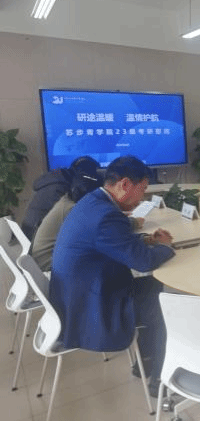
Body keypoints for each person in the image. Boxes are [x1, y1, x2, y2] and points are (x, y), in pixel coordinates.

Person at [49, 155, 175, 395]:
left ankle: (144, 362)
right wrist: (166, 247)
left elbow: (111, 243)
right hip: (91, 305)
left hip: (79, 293)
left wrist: (146, 240)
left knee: (154, 288)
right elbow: (143, 262)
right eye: (143, 190)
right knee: (165, 305)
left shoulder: (93, 201)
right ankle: (160, 382)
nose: (142, 198)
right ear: (125, 184)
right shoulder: (107, 216)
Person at [21, 156, 101, 240]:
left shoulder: (52, 182)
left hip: (27, 233)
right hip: (37, 239)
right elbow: (79, 219)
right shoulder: (66, 188)